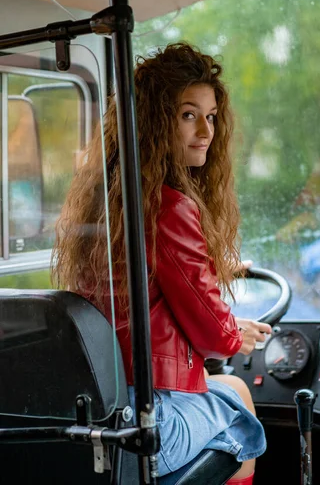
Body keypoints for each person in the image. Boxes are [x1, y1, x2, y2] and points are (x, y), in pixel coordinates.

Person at [52, 42, 271, 484]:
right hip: (150, 417)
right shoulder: (169, 206)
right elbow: (214, 335)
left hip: (100, 407)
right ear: (154, 122)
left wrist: (219, 275)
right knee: (243, 408)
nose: (205, 131)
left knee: (227, 390)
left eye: (210, 117)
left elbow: (145, 290)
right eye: (188, 114)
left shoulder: (108, 207)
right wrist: (236, 335)